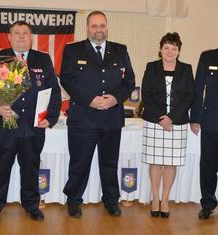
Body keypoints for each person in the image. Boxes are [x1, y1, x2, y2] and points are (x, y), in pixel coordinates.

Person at [60, 11, 135, 218]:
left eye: (102, 25)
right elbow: (66, 79)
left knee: (109, 163)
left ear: (106, 27)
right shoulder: (73, 50)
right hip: (83, 118)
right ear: (87, 28)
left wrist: (115, 98)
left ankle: (111, 200)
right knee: (79, 163)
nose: (98, 30)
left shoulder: (120, 50)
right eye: (94, 26)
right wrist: (90, 100)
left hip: (111, 118)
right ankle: (74, 200)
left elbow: (129, 82)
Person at [0, 21, 61, 224]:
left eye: (25, 33)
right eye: (16, 33)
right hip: (6, 128)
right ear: (9, 37)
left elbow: (54, 91)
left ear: (32, 36)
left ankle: (31, 205)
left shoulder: (43, 59)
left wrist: (51, 117)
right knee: (0, 169)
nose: (21, 37)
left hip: (33, 128)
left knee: (31, 169)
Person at [141, 32, 194, 218]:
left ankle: (165, 199)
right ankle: (155, 198)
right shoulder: (151, 67)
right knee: (156, 161)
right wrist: (161, 118)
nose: (170, 51)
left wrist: (171, 117)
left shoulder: (186, 69)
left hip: (177, 123)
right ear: (160, 49)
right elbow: (146, 95)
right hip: (154, 122)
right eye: (166, 48)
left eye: (174, 48)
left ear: (179, 51)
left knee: (171, 163)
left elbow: (189, 97)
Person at [190, 48, 218, 219]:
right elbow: (198, 88)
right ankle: (208, 204)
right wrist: (195, 118)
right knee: (208, 167)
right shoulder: (208, 57)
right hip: (212, 122)